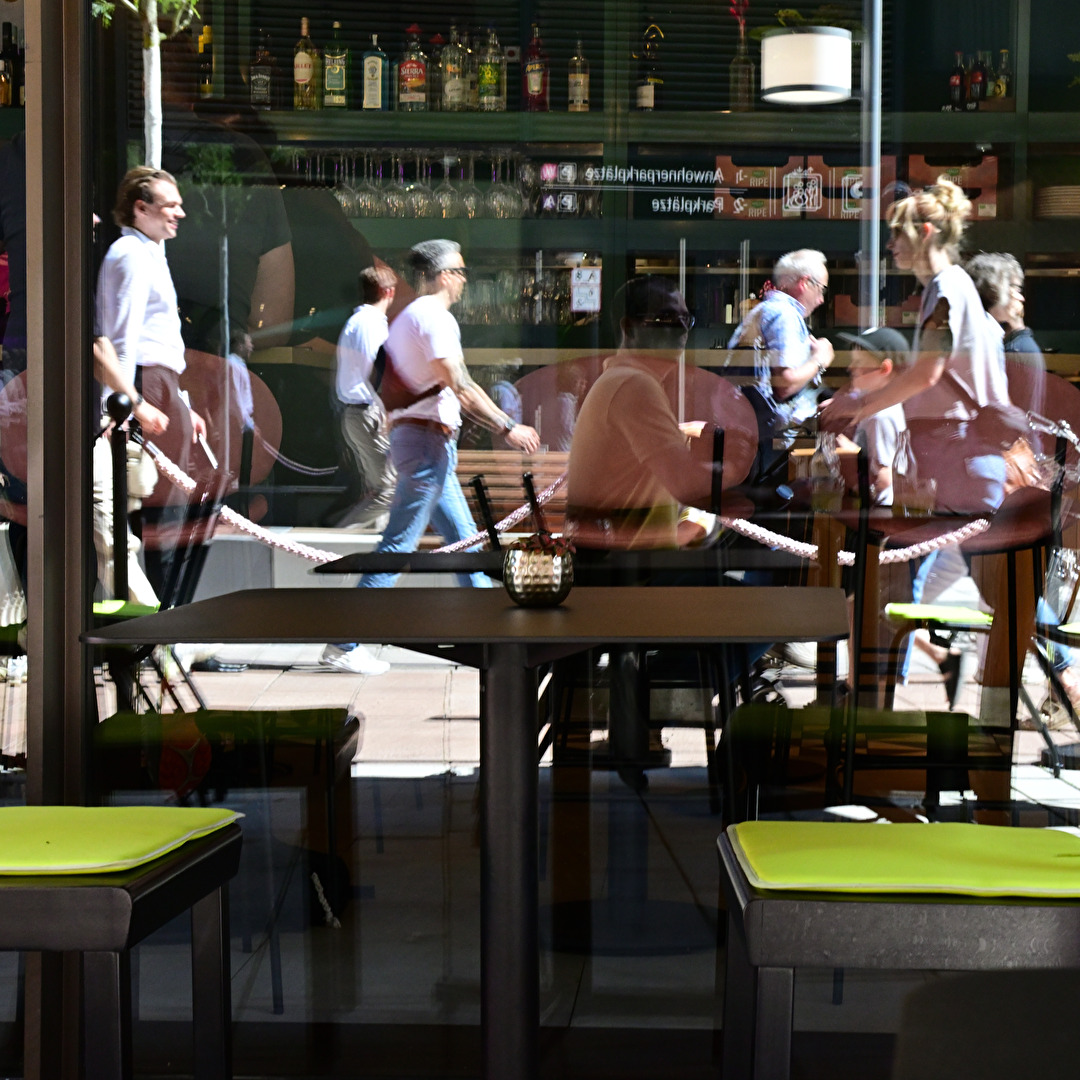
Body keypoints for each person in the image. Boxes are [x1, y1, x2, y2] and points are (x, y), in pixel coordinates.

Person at [321, 240, 541, 676]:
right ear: (443, 275)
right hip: (426, 444)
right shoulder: (433, 318)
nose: (463, 279)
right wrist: (507, 426)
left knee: (464, 541)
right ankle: (344, 642)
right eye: (460, 271)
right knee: (398, 544)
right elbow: (459, 383)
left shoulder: (410, 318)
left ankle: (491, 637)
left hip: (425, 442)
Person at [821, 178, 1009, 514]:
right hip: (965, 457)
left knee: (937, 565)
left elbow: (926, 374)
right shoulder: (954, 286)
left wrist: (861, 407)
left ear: (925, 233)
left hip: (958, 457)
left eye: (897, 234)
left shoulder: (945, 289)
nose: (891, 245)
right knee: (941, 565)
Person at [95, 166, 209, 596]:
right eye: (170, 205)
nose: (179, 212)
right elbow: (117, 338)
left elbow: (152, 338)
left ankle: (171, 623)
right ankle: (166, 625)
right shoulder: (130, 255)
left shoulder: (148, 253)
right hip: (144, 386)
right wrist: (130, 403)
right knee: (164, 514)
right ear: (140, 209)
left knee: (172, 512)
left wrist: (181, 401)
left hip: (157, 385)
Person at [565, 275, 737, 550]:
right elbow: (688, 486)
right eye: (667, 318)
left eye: (686, 319)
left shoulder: (620, 380)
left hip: (628, 568)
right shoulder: (633, 385)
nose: (682, 329)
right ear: (629, 328)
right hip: (631, 579)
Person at [727, 249, 835, 481]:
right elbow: (785, 383)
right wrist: (820, 359)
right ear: (805, 283)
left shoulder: (765, 311)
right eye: (822, 289)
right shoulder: (785, 315)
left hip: (753, 439)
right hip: (768, 447)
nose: (822, 300)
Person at [333, 265, 397, 529]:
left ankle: (372, 549)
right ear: (388, 292)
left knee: (378, 489)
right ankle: (339, 539)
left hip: (356, 412)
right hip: (367, 412)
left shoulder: (356, 323)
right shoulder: (371, 324)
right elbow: (377, 371)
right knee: (389, 491)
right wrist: (388, 411)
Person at [964, 251, 1046, 441]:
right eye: (1013, 288)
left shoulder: (1015, 347)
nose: (1020, 298)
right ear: (993, 288)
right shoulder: (993, 337)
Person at [833, 327, 910, 507]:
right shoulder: (877, 410)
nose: (850, 368)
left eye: (859, 363)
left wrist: (853, 455)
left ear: (884, 369)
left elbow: (883, 481)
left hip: (878, 515)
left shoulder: (880, 417)